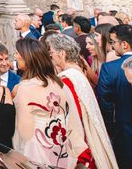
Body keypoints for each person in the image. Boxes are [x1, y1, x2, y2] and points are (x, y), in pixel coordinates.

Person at [12, 38, 89, 168]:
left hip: (37, 152)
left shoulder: (25, 88)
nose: (15, 56)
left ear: (27, 57)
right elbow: (73, 121)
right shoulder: (60, 84)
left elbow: (24, 131)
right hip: (61, 149)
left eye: (17, 53)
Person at [49, 34, 119, 168]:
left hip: (81, 139)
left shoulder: (67, 78)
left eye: (52, 52)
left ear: (62, 53)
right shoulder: (76, 72)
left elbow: (74, 115)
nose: (51, 56)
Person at [97, 24, 132, 169]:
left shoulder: (109, 68)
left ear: (124, 44)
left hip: (125, 131)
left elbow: (105, 103)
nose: (112, 46)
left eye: (113, 42)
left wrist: (110, 128)